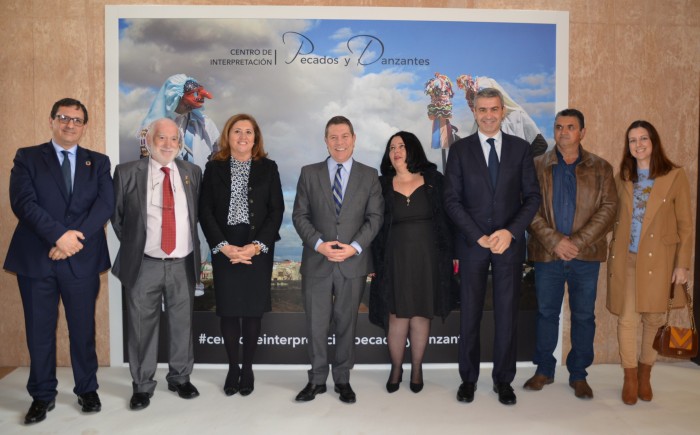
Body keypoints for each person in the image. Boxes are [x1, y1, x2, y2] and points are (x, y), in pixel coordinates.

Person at [4, 98, 114, 424]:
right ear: (52, 120)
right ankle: (41, 395)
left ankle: (86, 388)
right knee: (39, 331)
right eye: (64, 118)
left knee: (83, 329)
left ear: (84, 126)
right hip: (37, 259)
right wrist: (58, 237)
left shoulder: (99, 162)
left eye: (77, 120)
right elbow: (23, 203)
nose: (70, 125)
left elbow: (104, 206)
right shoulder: (27, 157)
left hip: (81, 259)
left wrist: (72, 240)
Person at [443, 87, 541, 406]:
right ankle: (468, 379)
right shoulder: (459, 151)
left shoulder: (521, 149)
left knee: (507, 315)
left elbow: (532, 198)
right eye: (482, 109)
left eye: (493, 109)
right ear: (474, 112)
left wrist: (510, 232)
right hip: (472, 246)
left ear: (502, 112)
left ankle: (503, 381)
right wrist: (478, 236)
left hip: (508, 246)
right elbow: (452, 200)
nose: (488, 115)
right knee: (470, 313)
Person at [523, 109, 618, 399]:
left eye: (570, 127)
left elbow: (609, 209)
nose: (564, 132)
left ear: (582, 132)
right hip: (547, 254)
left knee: (584, 317)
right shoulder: (537, 165)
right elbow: (528, 207)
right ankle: (544, 371)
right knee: (546, 314)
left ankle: (578, 375)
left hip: (585, 256)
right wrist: (555, 241)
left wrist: (576, 242)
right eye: (559, 127)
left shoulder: (601, 167)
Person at [111, 118, 202, 411]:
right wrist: (138, 246)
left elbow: (195, 215)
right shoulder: (126, 173)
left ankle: (180, 378)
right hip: (144, 264)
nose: (167, 144)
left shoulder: (192, 172)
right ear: (149, 141)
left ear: (180, 144)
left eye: (174, 139)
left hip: (182, 263)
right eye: (161, 138)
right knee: (141, 327)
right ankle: (142, 385)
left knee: (182, 324)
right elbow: (118, 217)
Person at [292, 116, 384, 404]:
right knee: (316, 325)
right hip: (317, 262)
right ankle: (317, 381)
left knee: (346, 324)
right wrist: (319, 245)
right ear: (325, 140)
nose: (339, 142)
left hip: (352, 263)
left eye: (345, 136)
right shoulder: (309, 173)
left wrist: (354, 247)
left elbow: (375, 217)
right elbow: (299, 215)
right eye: (333, 137)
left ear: (354, 139)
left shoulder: (370, 175)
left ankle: (342, 380)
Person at [606, 120, 692, 405]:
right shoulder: (624, 176)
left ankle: (646, 374)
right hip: (628, 260)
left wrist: (682, 265)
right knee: (628, 319)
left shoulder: (674, 175)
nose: (638, 144)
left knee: (654, 320)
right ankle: (630, 378)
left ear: (653, 142)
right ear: (627, 146)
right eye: (632, 140)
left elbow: (685, 226)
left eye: (643, 138)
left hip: (661, 261)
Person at [199, 114, 284, 397]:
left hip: (256, 247)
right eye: (237, 131)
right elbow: (205, 211)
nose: (243, 137)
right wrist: (223, 247)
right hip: (225, 247)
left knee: (251, 311)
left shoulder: (269, 168)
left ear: (256, 138)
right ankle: (232, 367)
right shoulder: (214, 168)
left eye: (249, 132)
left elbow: (276, 211)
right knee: (229, 310)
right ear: (228, 135)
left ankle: (247, 368)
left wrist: (256, 246)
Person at [369, 131, 456, 394]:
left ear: (413, 149)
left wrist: (453, 254)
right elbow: (372, 225)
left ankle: (417, 369)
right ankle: (396, 368)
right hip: (393, 258)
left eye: (402, 146)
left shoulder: (434, 180)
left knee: (420, 314)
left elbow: (448, 221)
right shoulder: (381, 184)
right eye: (392, 147)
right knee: (396, 316)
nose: (396, 151)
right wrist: (373, 263)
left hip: (428, 258)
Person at [139, 73, 221, 297]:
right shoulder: (151, 127)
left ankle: (195, 280)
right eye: (190, 95)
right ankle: (165, 287)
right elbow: (144, 163)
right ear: (175, 96)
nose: (195, 100)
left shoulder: (204, 123)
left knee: (199, 236)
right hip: (166, 192)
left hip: (199, 190)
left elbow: (218, 151)